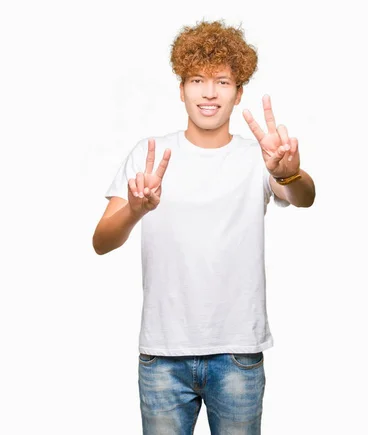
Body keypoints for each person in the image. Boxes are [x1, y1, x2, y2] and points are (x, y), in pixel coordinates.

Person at [92, 19, 315, 435]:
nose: (209, 92)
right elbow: (102, 241)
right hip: (162, 356)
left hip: (237, 356)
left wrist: (289, 173)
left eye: (222, 81)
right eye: (197, 79)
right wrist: (136, 210)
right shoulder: (150, 153)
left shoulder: (258, 158)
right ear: (181, 89)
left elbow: (304, 197)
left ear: (238, 92)